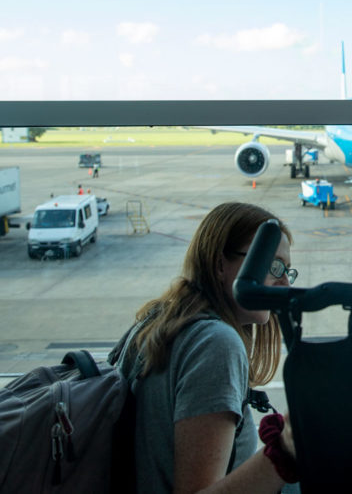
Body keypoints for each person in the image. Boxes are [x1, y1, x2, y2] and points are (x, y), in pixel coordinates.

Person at [119, 202, 300, 493]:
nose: (282, 282)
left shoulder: (159, 321)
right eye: (271, 264)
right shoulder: (216, 344)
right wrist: (285, 451)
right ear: (219, 265)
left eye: (287, 271)